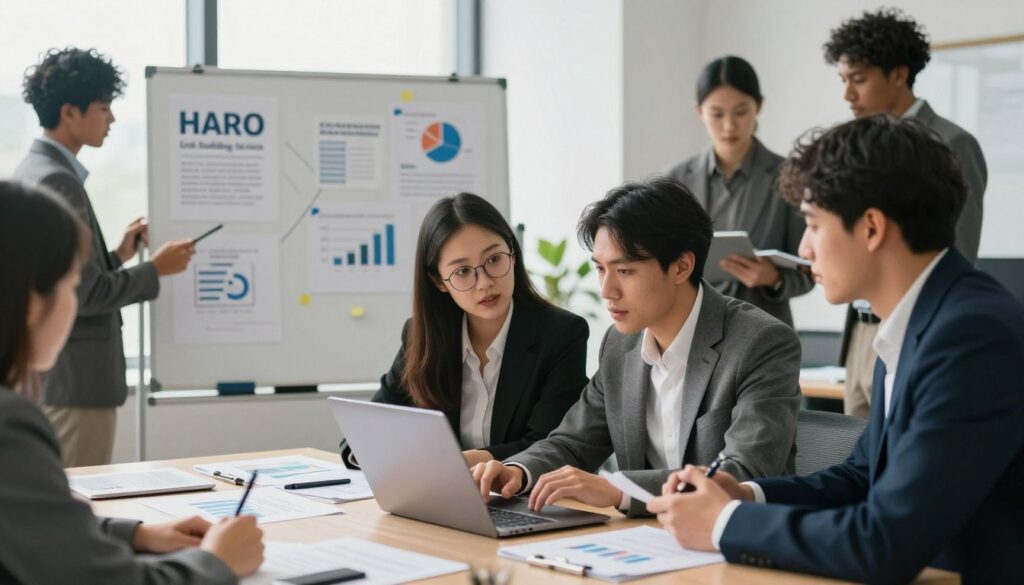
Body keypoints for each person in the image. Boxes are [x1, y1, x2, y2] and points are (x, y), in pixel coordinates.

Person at [648, 116, 1024, 584]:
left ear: (871, 228)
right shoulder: (922, 319)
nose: (804, 249)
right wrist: (744, 495)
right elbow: (862, 478)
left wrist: (723, 525)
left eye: (812, 224)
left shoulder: (970, 336)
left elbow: (884, 541)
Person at [472, 178, 801, 517]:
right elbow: (573, 441)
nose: (606, 290)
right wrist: (517, 471)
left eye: (625, 271)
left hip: (732, 542)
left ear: (681, 266)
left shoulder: (761, 342)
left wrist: (621, 489)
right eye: (600, 269)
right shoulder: (620, 343)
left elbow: (744, 472)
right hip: (645, 540)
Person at [0, 181, 264, 583]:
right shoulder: (9, 424)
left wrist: (135, 534)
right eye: (72, 286)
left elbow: (30, 522)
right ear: (34, 300)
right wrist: (218, 563)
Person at [14, 47, 195, 466]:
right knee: (80, 504)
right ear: (69, 112)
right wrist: (155, 269)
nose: (111, 119)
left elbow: (64, 276)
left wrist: (116, 255)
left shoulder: (35, 170)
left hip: (61, 380)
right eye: (102, 107)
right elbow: (88, 294)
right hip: (77, 383)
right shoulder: (58, 180)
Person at [340, 193, 589, 469]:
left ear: (513, 254)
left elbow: (552, 444)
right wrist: (368, 450)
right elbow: (367, 430)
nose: (484, 283)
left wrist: (469, 461)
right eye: (462, 272)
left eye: (494, 259)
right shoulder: (421, 336)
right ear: (438, 281)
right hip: (441, 497)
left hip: (524, 498)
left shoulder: (561, 334)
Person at [823, 8, 989, 419]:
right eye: (843, 80)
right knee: (857, 465)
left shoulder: (952, 144)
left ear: (898, 75)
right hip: (861, 331)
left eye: (858, 80)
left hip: (914, 329)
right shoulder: (862, 146)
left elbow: (958, 252)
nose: (847, 95)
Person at [668, 56, 813, 327]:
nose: (729, 126)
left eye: (741, 111)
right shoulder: (674, 181)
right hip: (692, 331)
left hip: (765, 333)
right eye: (717, 113)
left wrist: (774, 278)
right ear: (699, 111)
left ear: (759, 106)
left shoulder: (791, 177)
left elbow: (809, 272)